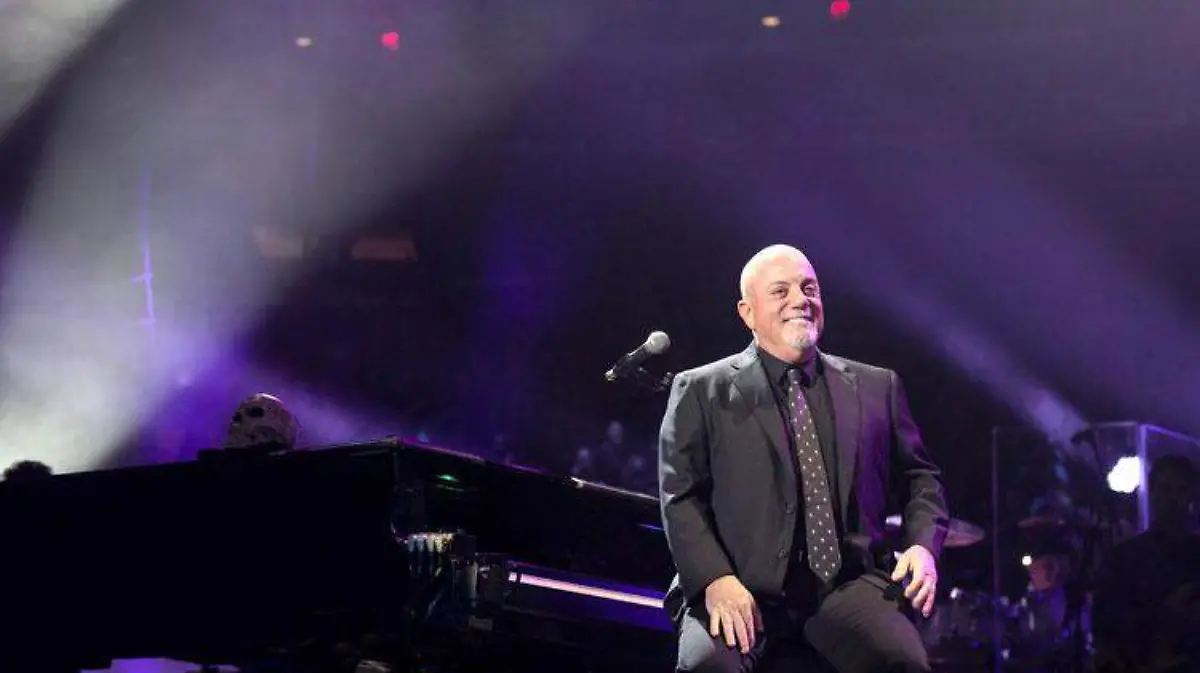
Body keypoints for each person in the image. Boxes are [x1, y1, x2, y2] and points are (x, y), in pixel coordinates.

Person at [658, 244, 949, 673]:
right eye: (781, 291)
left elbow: (921, 478)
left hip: (847, 586)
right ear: (747, 312)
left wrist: (922, 547)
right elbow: (680, 497)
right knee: (707, 667)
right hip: (737, 582)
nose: (800, 300)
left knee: (904, 664)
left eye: (809, 288)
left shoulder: (877, 387)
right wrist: (715, 579)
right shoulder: (701, 390)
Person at [1092, 454, 1200, 673]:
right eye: (1166, 489)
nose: (1173, 498)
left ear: (1192, 494)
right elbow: (1104, 621)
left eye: (1181, 489)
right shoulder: (1125, 558)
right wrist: (1162, 617)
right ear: (1153, 492)